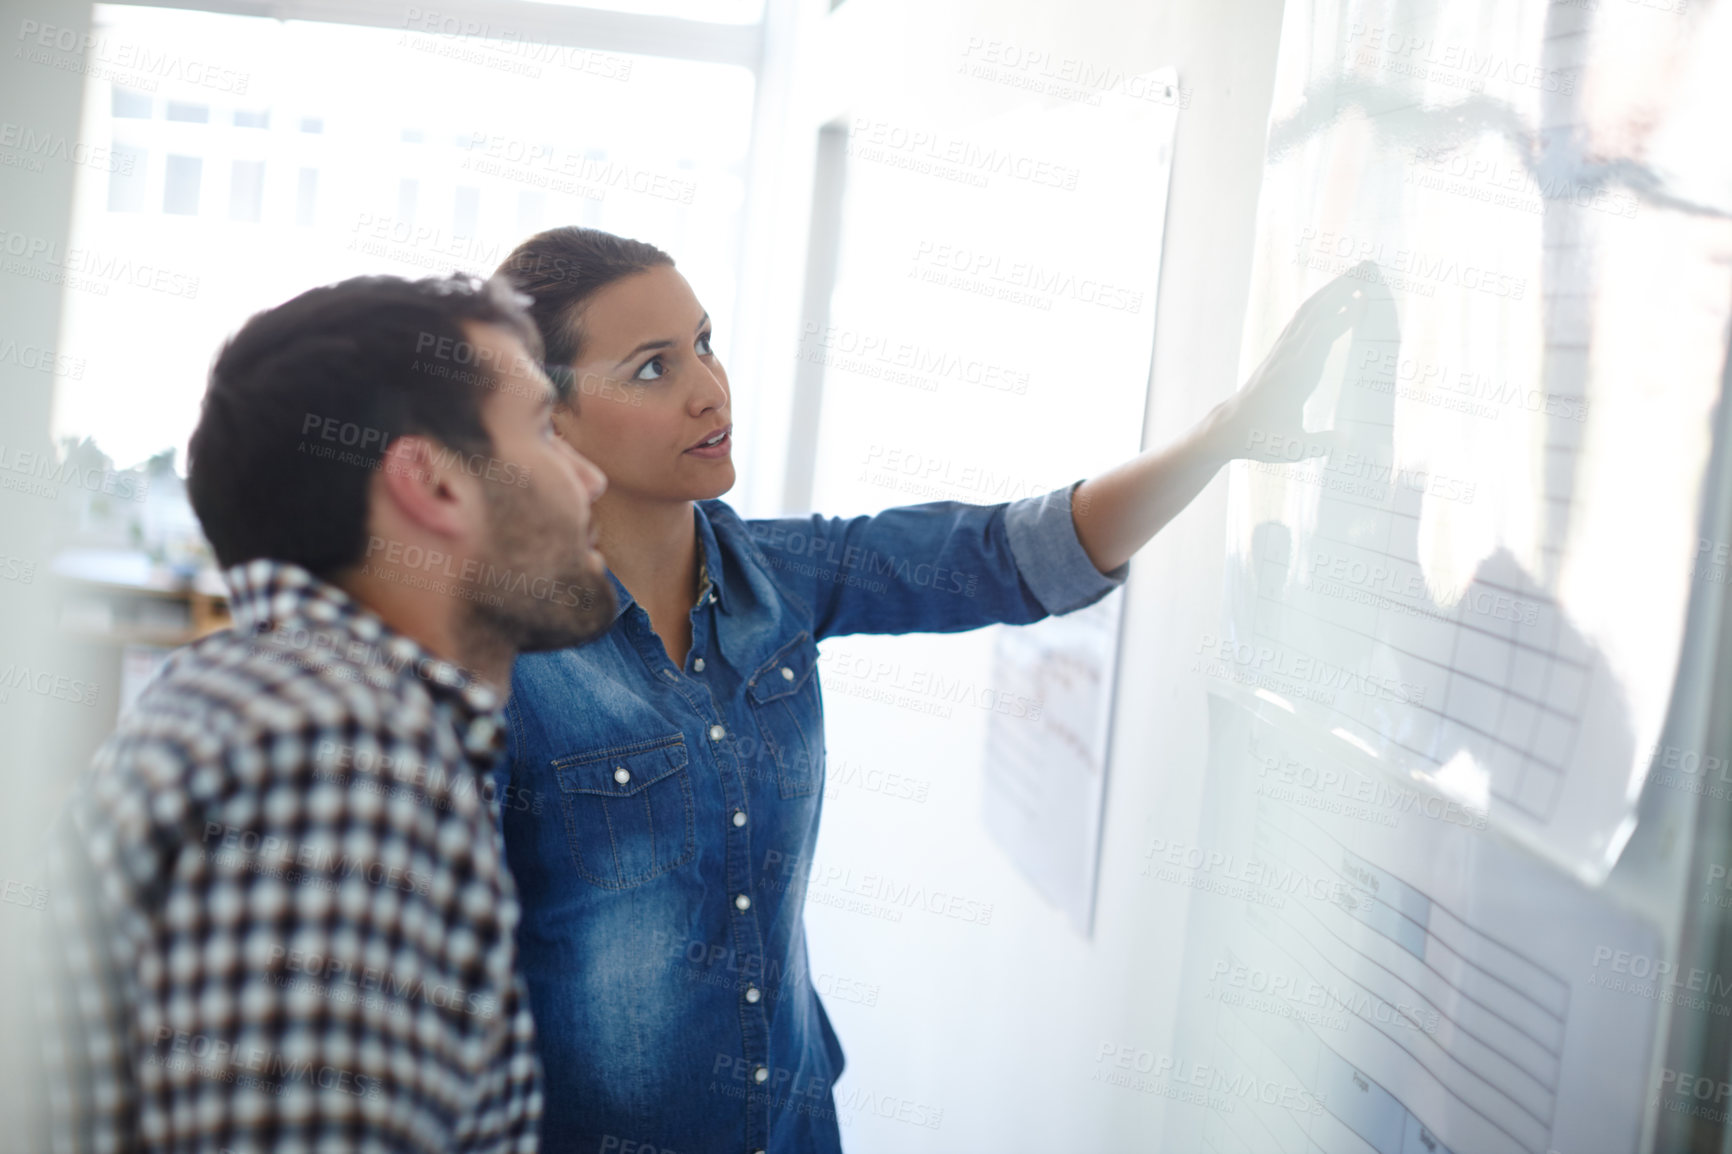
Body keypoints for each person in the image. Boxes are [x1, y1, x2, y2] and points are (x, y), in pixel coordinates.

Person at [491, 227, 1372, 1152]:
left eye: (705, 344)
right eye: (651, 370)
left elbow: (1009, 555)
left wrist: (1223, 438)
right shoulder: (496, 658)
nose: (710, 390)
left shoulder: (780, 578)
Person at [37, 273, 616, 1152]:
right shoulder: (339, 753)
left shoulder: (280, 707)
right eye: (541, 427)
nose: (590, 477)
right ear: (434, 484)